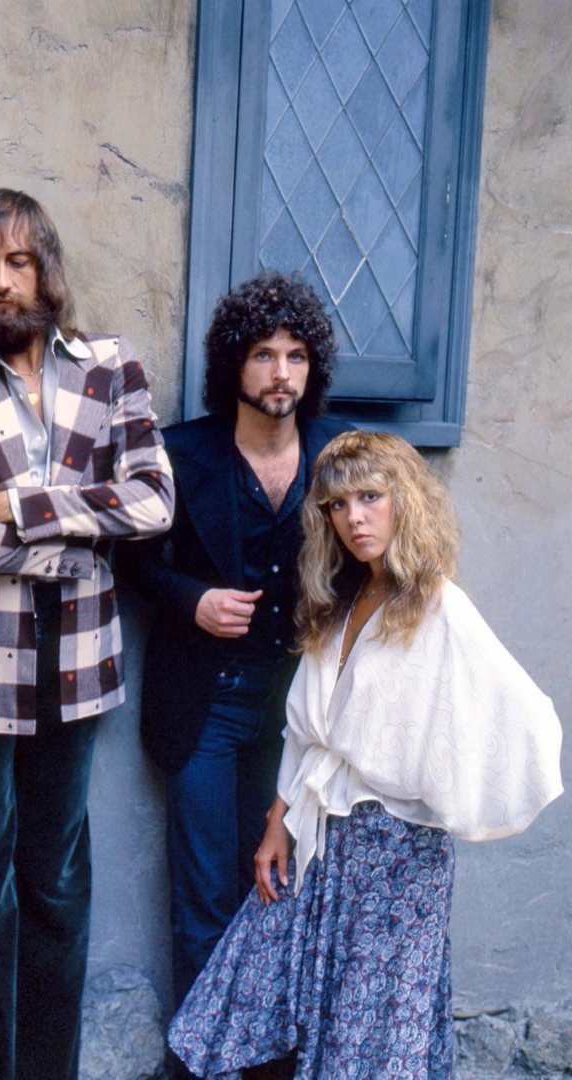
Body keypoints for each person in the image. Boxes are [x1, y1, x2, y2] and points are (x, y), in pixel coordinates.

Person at [167, 430, 563, 1080]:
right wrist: (277, 823)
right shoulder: (341, 602)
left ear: (404, 500)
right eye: (338, 504)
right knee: (258, 992)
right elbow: (305, 732)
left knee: (372, 1033)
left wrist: (438, 788)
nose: (354, 518)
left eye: (371, 497)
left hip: (400, 855)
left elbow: (523, 718)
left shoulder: (439, 607)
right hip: (323, 837)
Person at [0, 188, 174, 1080]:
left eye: (17, 262)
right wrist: (79, 532)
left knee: (58, 884)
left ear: (45, 269)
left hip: (80, 662)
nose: (1, 282)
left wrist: (12, 504)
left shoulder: (110, 368)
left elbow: (153, 502)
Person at [117, 272, 351, 1012]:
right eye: (263, 355)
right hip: (205, 705)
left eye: (296, 356)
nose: (281, 373)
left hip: (298, 709)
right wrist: (193, 600)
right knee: (206, 899)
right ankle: (199, 1058)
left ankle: (269, 1055)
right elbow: (129, 559)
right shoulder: (181, 453)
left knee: (280, 888)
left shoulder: (336, 455)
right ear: (234, 364)